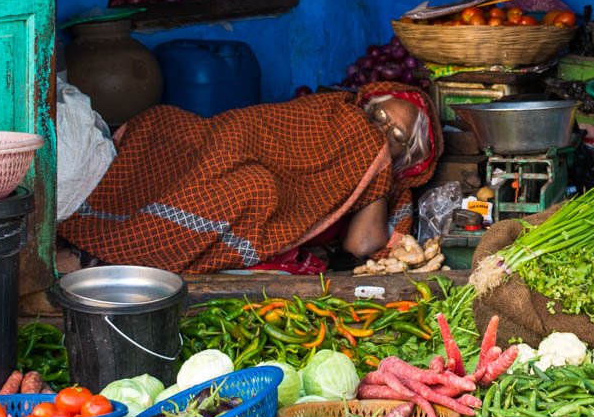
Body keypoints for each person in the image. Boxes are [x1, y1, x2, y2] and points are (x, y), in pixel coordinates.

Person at [57, 82, 439, 275]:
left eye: (397, 137)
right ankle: (107, 241)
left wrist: (379, 167)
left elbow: (364, 243)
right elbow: (253, 131)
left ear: (406, 157)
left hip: (254, 180)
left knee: (252, 187)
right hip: (209, 143)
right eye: (379, 119)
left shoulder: (378, 173)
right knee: (169, 130)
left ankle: (99, 256)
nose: (379, 133)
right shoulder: (331, 114)